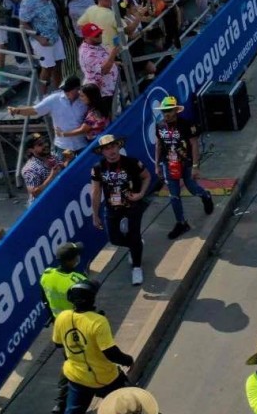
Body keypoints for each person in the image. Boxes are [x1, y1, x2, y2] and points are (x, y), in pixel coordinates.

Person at [50, 279, 135, 414]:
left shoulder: (62, 317)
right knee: (128, 410)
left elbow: (57, 344)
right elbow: (110, 352)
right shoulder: (98, 322)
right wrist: (128, 360)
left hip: (77, 377)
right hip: (106, 378)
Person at [90, 134, 151, 287]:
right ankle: (135, 245)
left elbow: (147, 177)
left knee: (134, 235)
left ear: (119, 147)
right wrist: (95, 214)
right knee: (114, 239)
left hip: (133, 206)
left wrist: (141, 194)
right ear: (102, 152)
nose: (111, 151)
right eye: (107, 149)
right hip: (112, 208)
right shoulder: (98, 168)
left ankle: (137, 267)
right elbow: (95, 192)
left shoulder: (132, 162)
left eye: (113, 147)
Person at [154, 96, 214, 240]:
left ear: (175, 110)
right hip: (169, 165)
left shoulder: (186, 125)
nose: (166, 114)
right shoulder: (160, 125)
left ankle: (205, 195)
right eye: (163, 111)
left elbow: (194, 145)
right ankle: (181, 223)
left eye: (169, 110)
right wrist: (157, 165)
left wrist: (195, 166)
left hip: (185, 164)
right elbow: (159, 145)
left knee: (192, 188)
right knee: (173, 195)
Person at [40, 241, 87, 414]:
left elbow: (44, 300)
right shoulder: (78, 281)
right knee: (74, 362)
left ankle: (62, 401)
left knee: (71, 359)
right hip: (78, 328)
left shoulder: (47, 275)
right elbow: (87, 305)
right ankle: (63, 400)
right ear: (72, 260)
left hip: (59, 327)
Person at [10, 76, 89, 160]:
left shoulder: (85, 100)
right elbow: (35, 110)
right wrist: (17, 110)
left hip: (82, 144)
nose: (66, 92)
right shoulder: (54, 99)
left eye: (69, 90)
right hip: (62, 146)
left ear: (78, 89)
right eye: (65, 90)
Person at [19, 0, 66, 91]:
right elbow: (23, 24)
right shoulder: (28, 2)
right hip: (42, 40)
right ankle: (42, 95)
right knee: (47, 68)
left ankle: (58, 91)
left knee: (58, 66)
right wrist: (39, 38)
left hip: (55, 36)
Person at [78, 22, 121, 99]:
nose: (100, 36)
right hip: (103, 94)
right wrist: (113, 54)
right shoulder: (87, 54)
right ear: (86, 37)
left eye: (100, 33)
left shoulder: (96, 43)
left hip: (112, 88)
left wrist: (115, 63)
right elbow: (104, 70)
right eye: (96, 35)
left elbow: (103, 60)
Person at [21, 132, 63, 203]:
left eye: (45, 142)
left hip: (57, 198)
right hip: (44, 205)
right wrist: (51, 176)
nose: (45, 145)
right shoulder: (30, 169)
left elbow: (62, 167)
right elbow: (35, 193)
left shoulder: (52, 156)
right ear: (30, 150)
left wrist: (68, 160)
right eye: (40, 144)